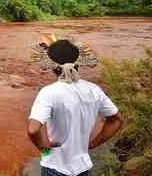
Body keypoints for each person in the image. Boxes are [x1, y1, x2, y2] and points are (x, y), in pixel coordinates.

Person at [27, 39, 123, 176]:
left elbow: (33, 129)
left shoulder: (49, 92)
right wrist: (92, 144)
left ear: (52, 66)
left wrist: (43, 147)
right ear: (79, 62)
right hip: (83, 166)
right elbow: (116, 120)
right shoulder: (94, 90)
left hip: (54, 166)